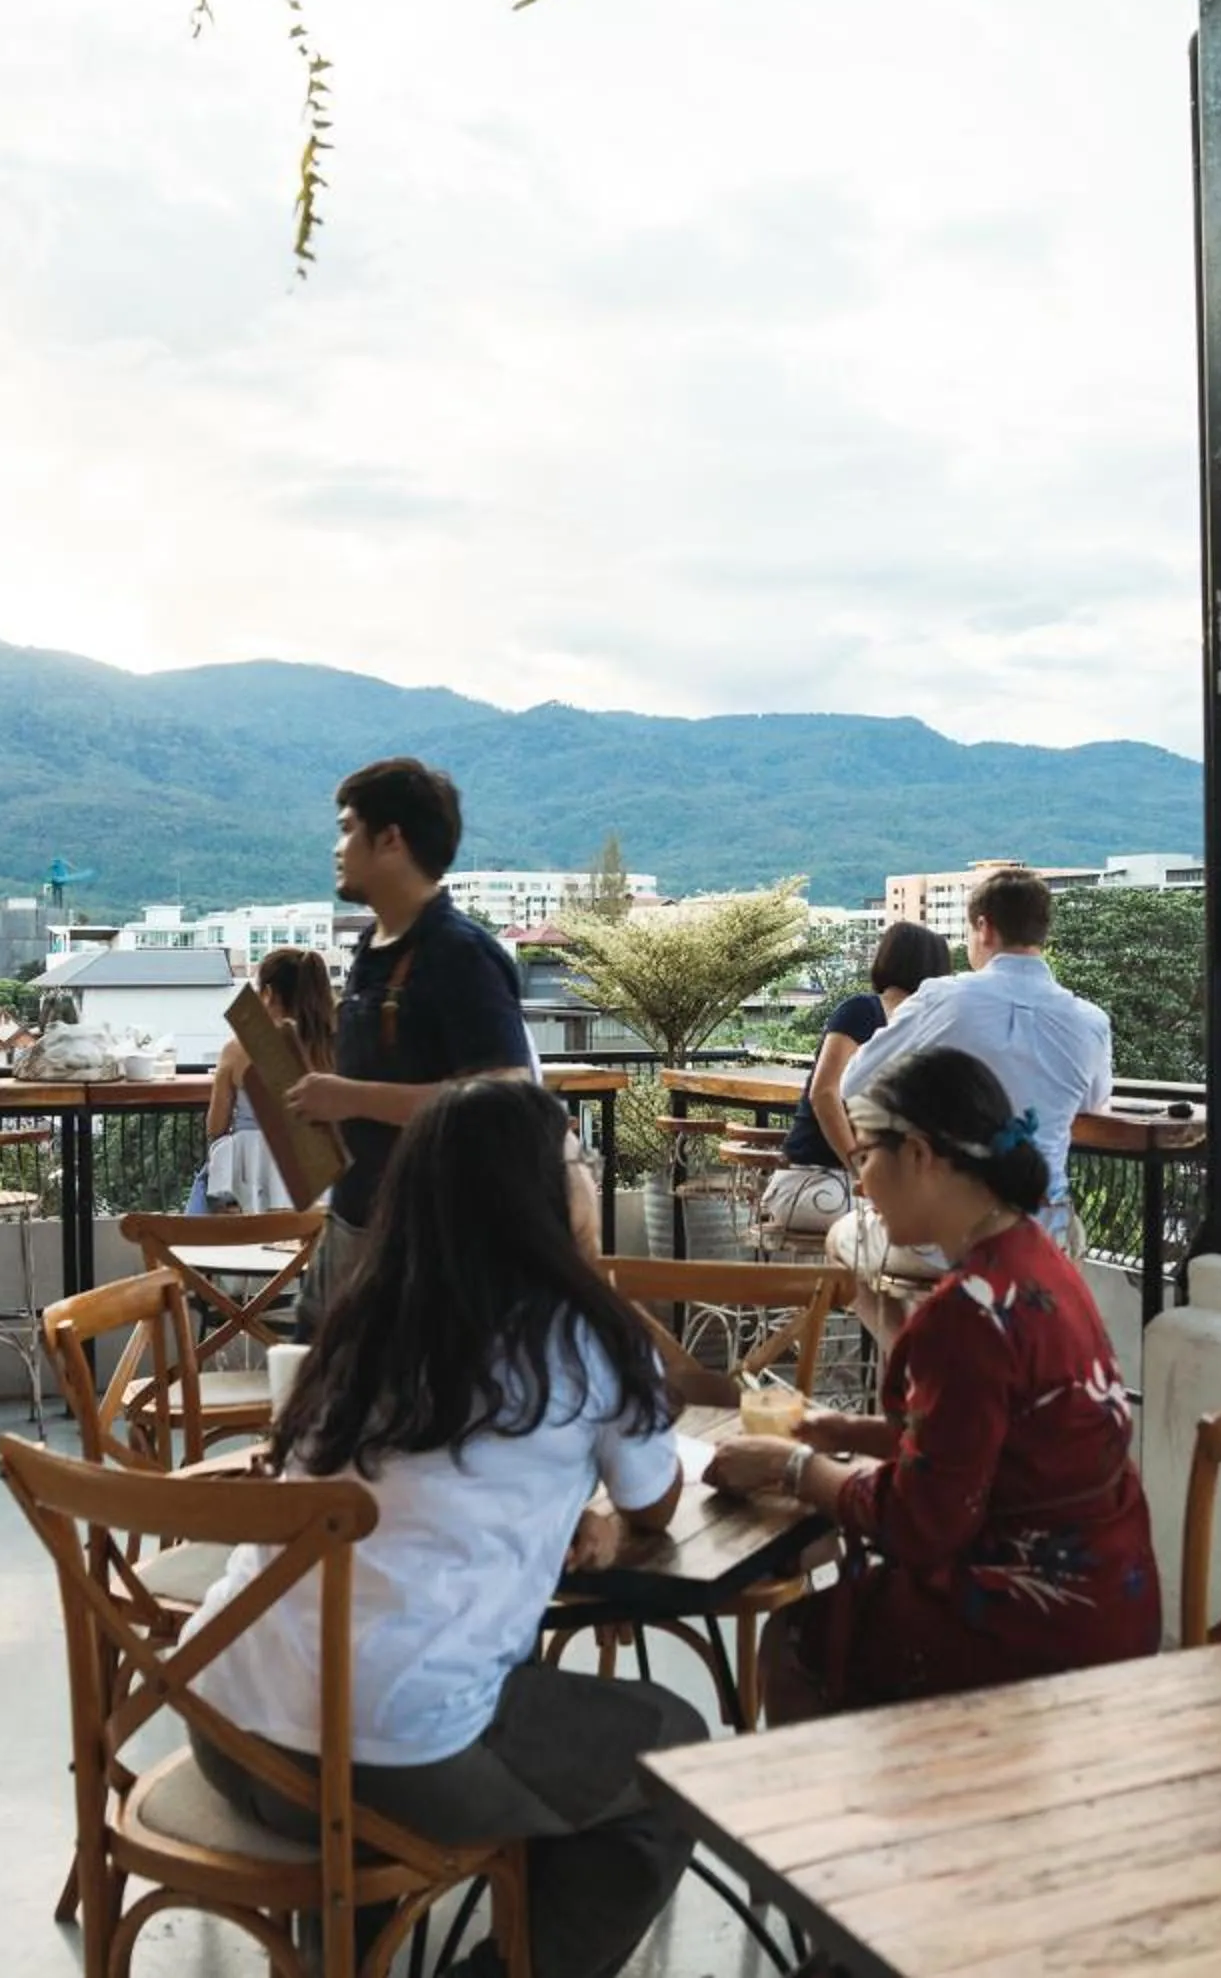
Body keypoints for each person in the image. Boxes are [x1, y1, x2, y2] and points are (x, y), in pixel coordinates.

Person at [183, 1079, 699, 1978]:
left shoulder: (360, 1323)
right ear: (539, 1194)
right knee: (675, 1750)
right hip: (383, 1764)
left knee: (517, 1716)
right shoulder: (591, 1337)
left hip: (228, 1728)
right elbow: (656, 1504)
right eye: (580, 1162)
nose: (590, 1177)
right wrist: (604, 1524)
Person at [710, 1047, 1156, 1721]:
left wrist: (794, 1467)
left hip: (1039, 1622)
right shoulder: (1037, 1260)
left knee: (797, 1639)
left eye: (865, 1157)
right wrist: (841, 1431)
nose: (860, 1182)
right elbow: (979, 1445)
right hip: (1113, 1593)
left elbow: (919, 1522)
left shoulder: (967, 1314)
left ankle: (845, 1825)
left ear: (918, 1154)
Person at [287, 759, 534, 1330]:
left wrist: (349, 1097)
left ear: (391, 839)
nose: (338, 846)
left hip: (431, 1242)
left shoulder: (460, 953)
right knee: (315, 1395)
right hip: (354, 1218)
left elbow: (504, 1100)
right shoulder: (374, 948)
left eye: (349, 828)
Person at [837, 868, 1112, 1248]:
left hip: (944, 1232)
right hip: (1046, 1229)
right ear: (1042, 932)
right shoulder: (1091, 1021)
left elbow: (854, 1083)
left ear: (983, 927)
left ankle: (922, 1309)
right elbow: (1092, 1103)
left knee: (842, 1238)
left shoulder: (941, 998)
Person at [756, 921, 950, 1248]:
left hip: (848, 1189)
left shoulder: (922, 1027)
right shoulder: (862, 1011)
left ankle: (859, 1298)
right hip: (814, 1184)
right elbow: (824, 1092)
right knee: (924, 1239)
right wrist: (861, 1169)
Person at [193, 948, 338, 1215]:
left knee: (209, 1180)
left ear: (268, 993)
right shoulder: (336, 1048)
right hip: (321, 1194)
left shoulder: (238, 1050)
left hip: (251, 1192)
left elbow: (216, 1126)